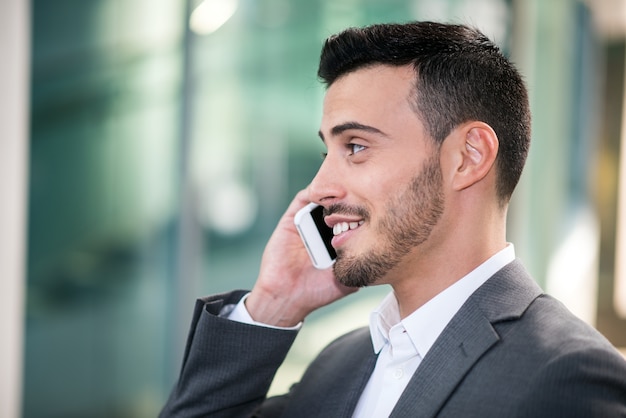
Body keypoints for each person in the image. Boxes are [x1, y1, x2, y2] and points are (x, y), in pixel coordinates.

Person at [160, 21, 626, 417]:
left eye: (356, 147)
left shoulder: (570, 376)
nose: (318, 187)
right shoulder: (335, 366)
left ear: (468, 157)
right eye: (328, 150)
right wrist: (273, 306)